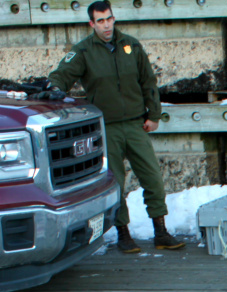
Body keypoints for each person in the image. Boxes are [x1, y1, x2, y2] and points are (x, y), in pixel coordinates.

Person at [48, 1, 183, 253]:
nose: (106, 25)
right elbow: (61, 75)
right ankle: (123, 233)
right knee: (116, 183)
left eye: (109, 19)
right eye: (100, 21)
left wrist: (154, 114)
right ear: (92, 24)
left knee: (153, 178)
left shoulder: (131, 45)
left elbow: (148, 81)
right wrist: (54, 88)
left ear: (114, 18)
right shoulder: (84, 51)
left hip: (135, 123)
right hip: (107, 127)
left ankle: (161, 231)